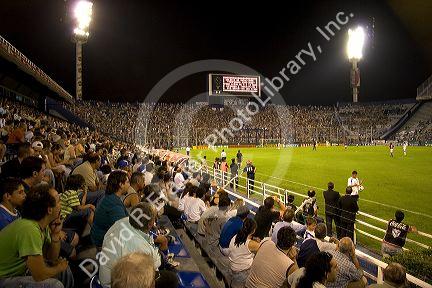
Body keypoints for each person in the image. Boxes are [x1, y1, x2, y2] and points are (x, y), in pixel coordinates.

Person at [0, 183, 73, 288]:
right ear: (49, 210)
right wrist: (59, 267)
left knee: (64, 270)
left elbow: (51, 258)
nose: (61, 205)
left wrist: (55, 235)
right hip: (4, 278)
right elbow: (39, 275)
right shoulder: (29, 229)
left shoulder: (42, 225)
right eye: (58, 201)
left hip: (21, 272)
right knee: (54, 285)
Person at [99, 202, 162, 287]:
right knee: (168, 278)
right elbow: (154, 267)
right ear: (150, 224)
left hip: (108, 274)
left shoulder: (122, 221)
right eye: (154, 219)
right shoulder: (140, 246)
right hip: (114, 284)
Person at [91, 170, 130, 247]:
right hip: (102, 241)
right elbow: (122, 229)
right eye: (127, 182)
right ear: (121, 184)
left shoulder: (110, 197)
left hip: (99, 236)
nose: (129, 185)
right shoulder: (114, 204)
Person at [228, 218, 260, 288]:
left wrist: (253, 238)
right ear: (253, 230)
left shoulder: (236, 236)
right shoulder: (251, 244)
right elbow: (261, 248)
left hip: (233, 267)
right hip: (241, 272)